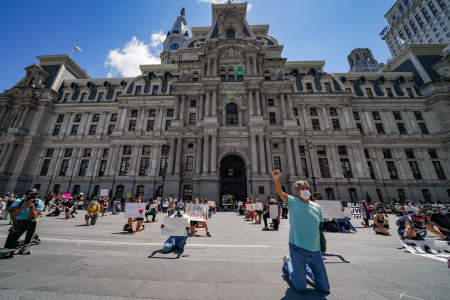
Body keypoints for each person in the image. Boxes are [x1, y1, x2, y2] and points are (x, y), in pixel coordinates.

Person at [272, 170, 330, 294]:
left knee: (325, 288)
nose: (305, 191)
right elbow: (280, 192)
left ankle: (306, 269)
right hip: (297, 248)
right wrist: (276, 179)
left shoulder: (316, 207)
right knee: (300, 287)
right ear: (296, 192)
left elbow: (318, 227)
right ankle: (288, 263)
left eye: (307, 188)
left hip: (315, 251)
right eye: (302, 188)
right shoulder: (293, 202)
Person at [4, 189, 44, 255]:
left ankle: (27, 244)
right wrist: (24, 207)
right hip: (18, 222)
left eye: (35, 194)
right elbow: (12, 215)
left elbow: (34, 216)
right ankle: (31, 239)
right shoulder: (19, 201)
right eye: (31, 194)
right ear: (26, 195)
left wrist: (31, 208)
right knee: (8, 246)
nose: (33, 196)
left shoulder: (39, 202)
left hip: (30, 222)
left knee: (33, 221)